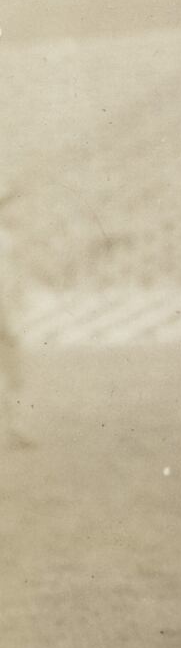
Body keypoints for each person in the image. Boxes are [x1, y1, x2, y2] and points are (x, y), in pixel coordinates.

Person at [0, 180, 34, 449]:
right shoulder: (5, 240)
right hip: (4, 314)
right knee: (13, 372)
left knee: (14, 372)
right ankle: (15, 428)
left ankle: (15, 427)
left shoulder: (9, 239)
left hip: (7, 312)